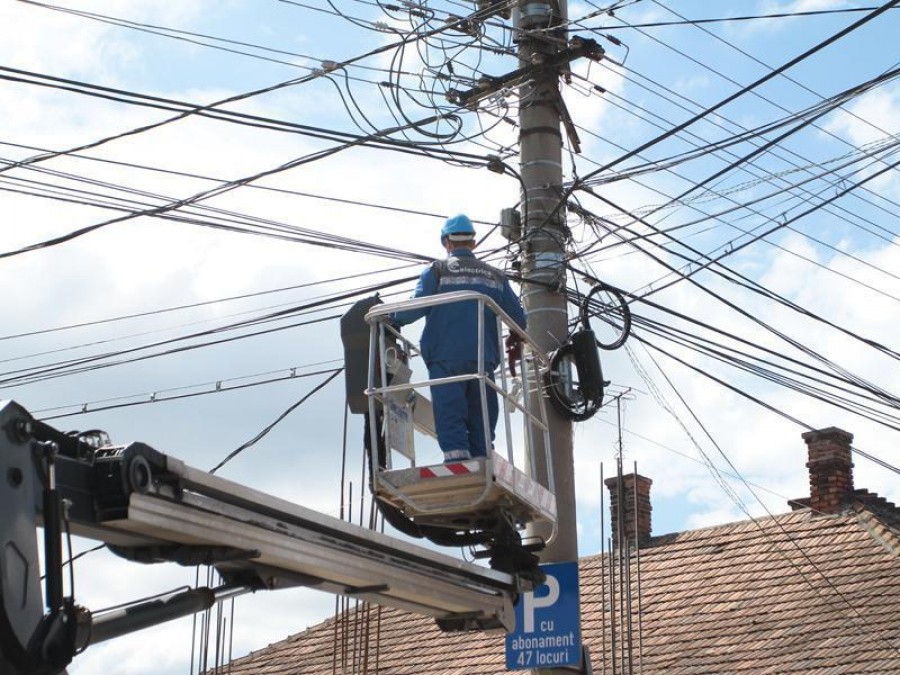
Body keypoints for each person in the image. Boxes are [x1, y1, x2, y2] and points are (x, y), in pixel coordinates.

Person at [391, 214, 526, 462]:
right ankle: (483, 460)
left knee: (450, 411)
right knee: (482, 415)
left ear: (446, 242)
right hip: (482, 360)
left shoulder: (438, 271)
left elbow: (415, 307)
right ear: (473, 243)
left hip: (446, 359)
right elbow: (520, 319)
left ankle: (456, 461)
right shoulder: (495, 277)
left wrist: (390, 318)